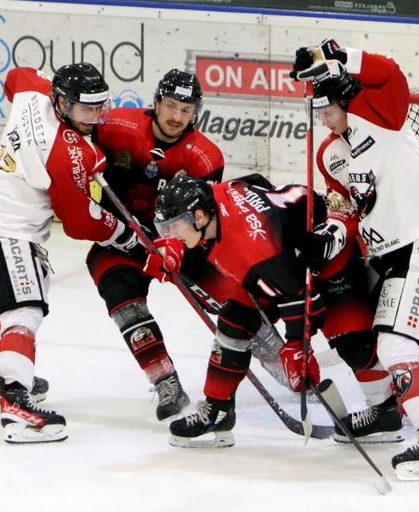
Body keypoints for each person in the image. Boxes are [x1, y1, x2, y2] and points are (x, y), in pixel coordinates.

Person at [291, 38, 419, 481]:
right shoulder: (329, 155)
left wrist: (339, 55)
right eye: (318, 111)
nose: (324, 119)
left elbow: (389, 74)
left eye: (328, 109)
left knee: (394, 346)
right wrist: (329, 235)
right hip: (384, 253)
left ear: (346, 100)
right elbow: (346, 211)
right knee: (362, 336)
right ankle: (394, 404)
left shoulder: (382, 116)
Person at [0, 63, 142, 444]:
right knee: (24, 309)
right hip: (0, 225)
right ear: (61, 103)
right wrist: (125, 234)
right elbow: (80, 222)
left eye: (98, 107)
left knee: (37, 278)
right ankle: (16, 406)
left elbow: (16, 76)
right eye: (85, 109)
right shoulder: (67, 153)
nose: (94, 117)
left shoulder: (34, 90)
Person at [146, 173, 380, 449]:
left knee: (356, 348)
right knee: (234, 321)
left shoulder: (252, 249)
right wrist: (174, 250)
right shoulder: (218, 193)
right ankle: (217, 410)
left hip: (329, 259)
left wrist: (297, 346)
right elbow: (257, 180)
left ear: (199, 216)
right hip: (286, 257)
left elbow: (301, 296)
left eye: (173, 227)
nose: (170, 235)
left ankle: (390, 405)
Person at [86, 69, 223, 422]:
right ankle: (165, 383)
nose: (177, 116)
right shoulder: (115, 126)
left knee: (230, 298)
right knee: (122, 298)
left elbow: (203, 222)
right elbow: (75, 147)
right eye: (172, 106)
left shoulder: (205, 157)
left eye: (186, 110)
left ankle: (280, 358)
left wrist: (175, 248)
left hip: (180, 242)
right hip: (119, 238)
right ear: (156, 103)